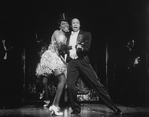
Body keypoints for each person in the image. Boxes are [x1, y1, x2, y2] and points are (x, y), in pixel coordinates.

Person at [66, 18, 122, 115]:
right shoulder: (68, 36)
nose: (75, 24)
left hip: (82, 60)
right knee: (70, 86)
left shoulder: (86, 34)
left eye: (77, 23)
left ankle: (112, 106)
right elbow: (65, 48)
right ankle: (75, 108)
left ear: (80, 25)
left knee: (96, 83)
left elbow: (86, 48)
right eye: (73, 23)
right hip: (72, 62)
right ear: (71, 25)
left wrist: (81, 48)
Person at [36, 13, 69, 115]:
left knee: (62, 80)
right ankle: (54, 105)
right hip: (51, 57)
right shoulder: (57, 32)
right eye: (63, 24)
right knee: (62, 80)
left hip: (57, 57)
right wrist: (73, 47)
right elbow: (61, 46)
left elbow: (62, 50)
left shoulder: (65, 36)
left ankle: (54, 105)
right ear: (59, 25)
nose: (65, 26)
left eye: (67, 24)